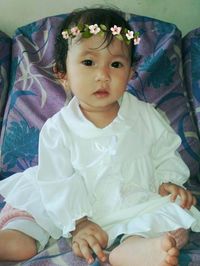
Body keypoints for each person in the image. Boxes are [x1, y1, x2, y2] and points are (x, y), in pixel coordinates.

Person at [0, 7, 200, 266]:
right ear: (63, 74)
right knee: (29, 228)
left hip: (130, 197)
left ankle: (134, 249)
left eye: (116, 64)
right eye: (88, 62)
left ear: (129, 73)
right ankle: (13, 238)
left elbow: (164, 151)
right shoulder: (57, 128)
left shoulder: (146, 115)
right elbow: (57, 181)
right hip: (64, 199)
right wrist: (78, 223)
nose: (103, 75)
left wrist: (168, 181)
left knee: (175, 220)